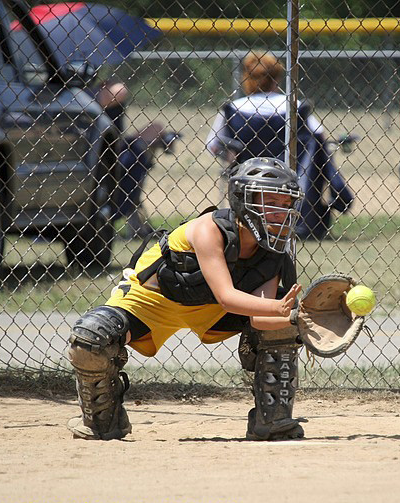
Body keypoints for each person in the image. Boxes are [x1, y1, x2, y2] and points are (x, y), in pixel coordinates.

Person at [66, 157, 308, 441]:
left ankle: (273, 419)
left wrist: (297, 317)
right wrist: (278, 307)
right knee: (91, 338)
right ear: (243, 200)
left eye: (285, 204)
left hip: (211, 310)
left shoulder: (272, 252)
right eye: (271, 202)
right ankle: (103, 420)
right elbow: (227, 296)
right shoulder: (210, 229)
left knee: (282, 326)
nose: (281, 212)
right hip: (152, 301)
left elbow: (260, 317)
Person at [205, 50, 354, 240]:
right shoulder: (295, 106)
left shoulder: (233, 108)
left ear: (246, 79)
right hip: (292, 177)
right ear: (276, 79)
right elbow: (319, 138)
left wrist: (233, 156)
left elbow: (213, 145)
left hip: (251, 180)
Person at [94, 79, 154, 239]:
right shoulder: (82, 93)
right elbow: (119, 90)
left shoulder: (101, 86)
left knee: (156, 128)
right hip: (97, 152)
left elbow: (120, 90)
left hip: (116, 147)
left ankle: (137, 225)